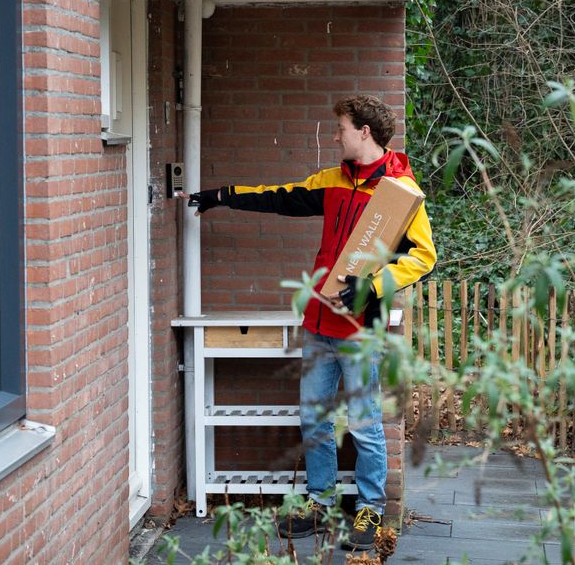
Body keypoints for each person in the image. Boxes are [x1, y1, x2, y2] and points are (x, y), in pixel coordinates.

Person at [185, 95, 436, 550]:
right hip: (320, 323)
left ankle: (370, 511)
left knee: (363, 422)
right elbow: (278, 196)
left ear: (364, 131)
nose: (334, 135)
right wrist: (221, 196)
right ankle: (319, 503)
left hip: (362, 330)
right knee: (314, 419)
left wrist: (373, 286)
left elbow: (424, 256)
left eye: (341, 127)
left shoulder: (400, 191)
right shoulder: (333, 181)